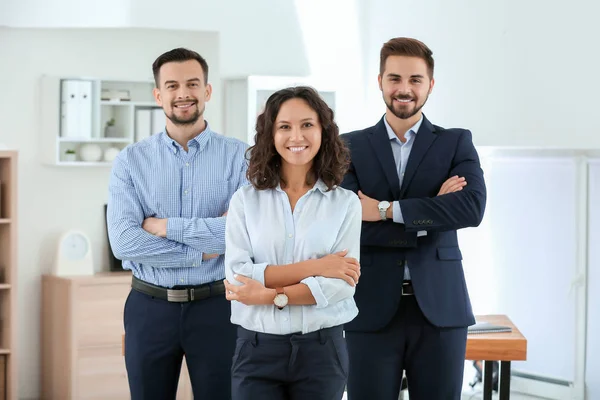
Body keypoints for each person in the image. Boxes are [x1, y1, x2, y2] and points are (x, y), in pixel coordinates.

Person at [340, 37, 487, 400]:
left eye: (415, 80)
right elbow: (346, 225)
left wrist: (386, 210)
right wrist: (432, 215)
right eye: (394, 78)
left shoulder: (455, 142)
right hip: (369, 308)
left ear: (430, 85)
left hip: (441, 309)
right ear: (379, 81)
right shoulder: (348, 146)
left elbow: (471, 209)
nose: (404, 89)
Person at [106, 47, 248, 400]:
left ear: (207, 91)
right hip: (148, 308)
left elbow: (241, 234)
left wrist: (165, 226)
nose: (182, 93)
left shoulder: (242, 157)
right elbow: (124, 242)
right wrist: (201, 253)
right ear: (158, 95)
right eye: (172, 85)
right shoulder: (130, 161)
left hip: (218, 308)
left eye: (192, 84)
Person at [223, 86, 362, 400]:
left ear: (323, 132)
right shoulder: (245, 201)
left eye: (307, 125)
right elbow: (237, 277)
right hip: (256, 350)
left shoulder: (345, 204)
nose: (296, 136)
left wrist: (270, 295)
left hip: (321, 351)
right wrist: (317, 267)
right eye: (284, 126)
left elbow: (341, 284)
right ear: (270, 135)